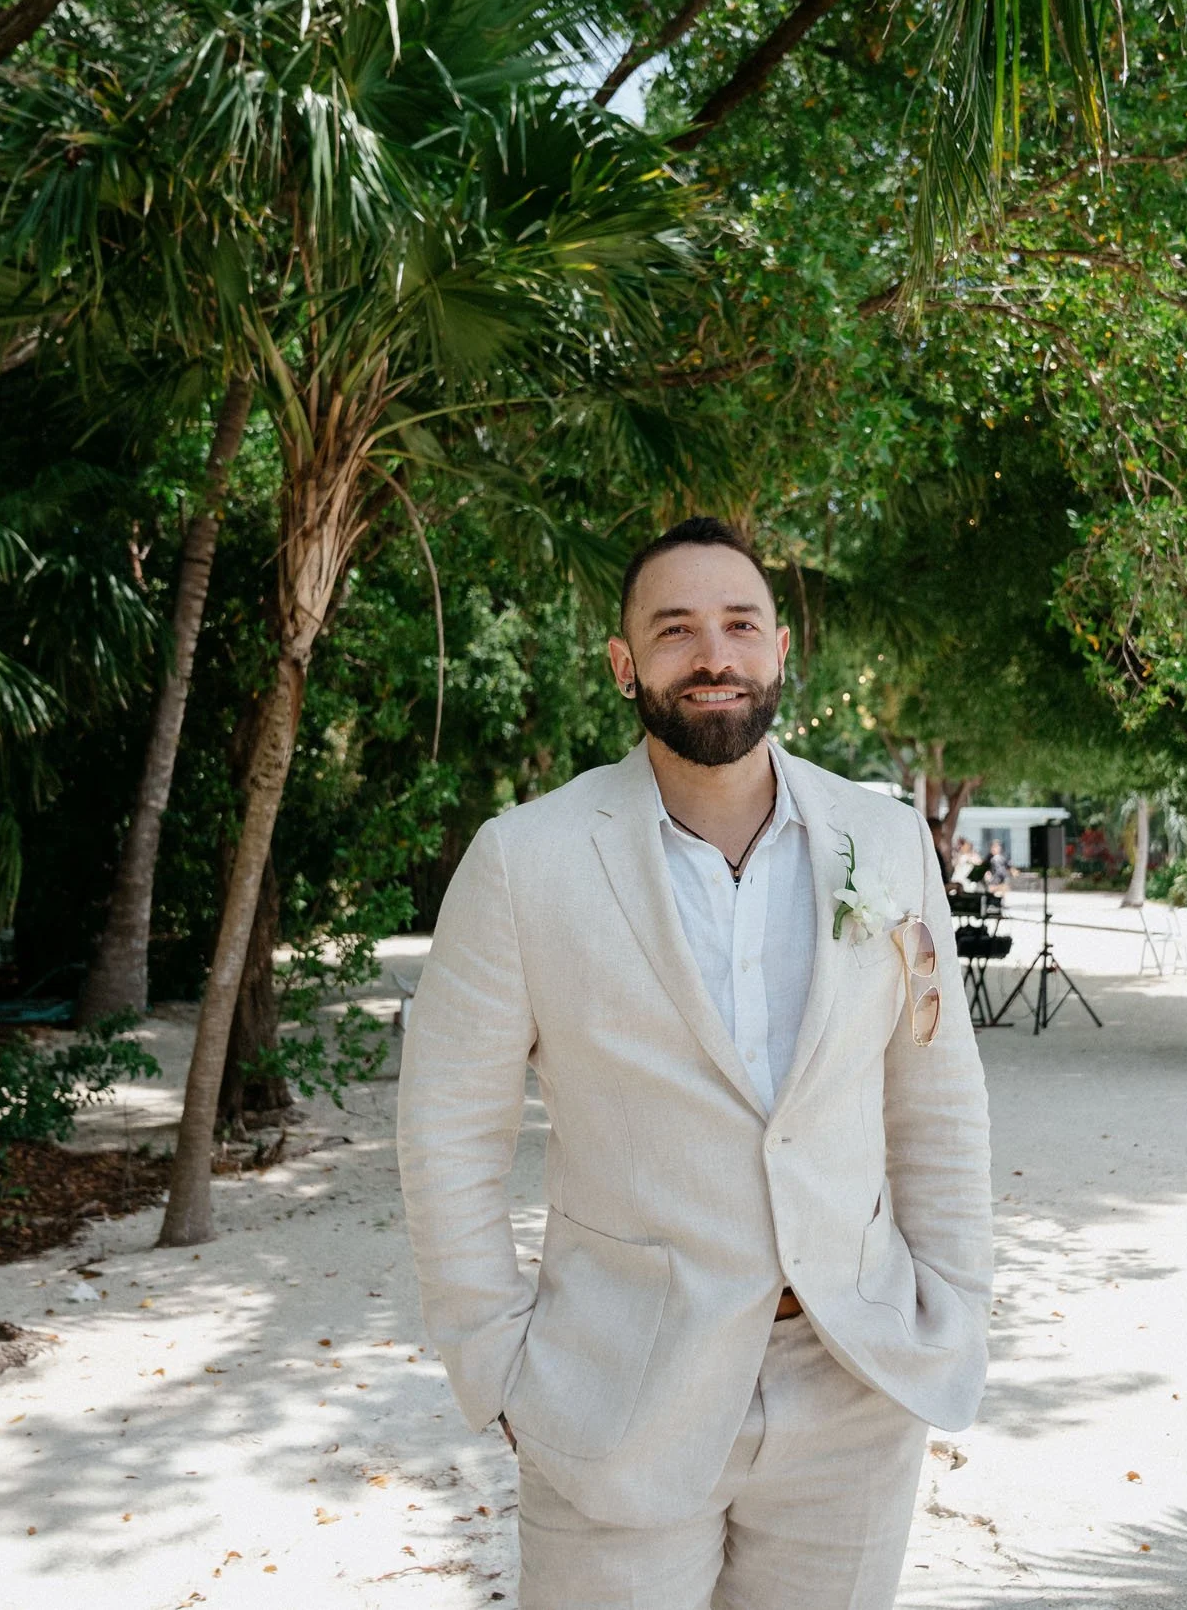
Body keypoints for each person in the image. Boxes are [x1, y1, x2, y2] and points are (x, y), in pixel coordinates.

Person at [397, 516, 994, 1610]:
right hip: (615, 1391)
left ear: (778, 654)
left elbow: (935, 1098)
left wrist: (950, 1305)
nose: (710, 653)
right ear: (626, 664)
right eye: (674, 630)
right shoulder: (523, 861)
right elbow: (446, 1130)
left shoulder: (886, 840)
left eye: (739, 625)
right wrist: (497, 1365)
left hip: (854, 1381)